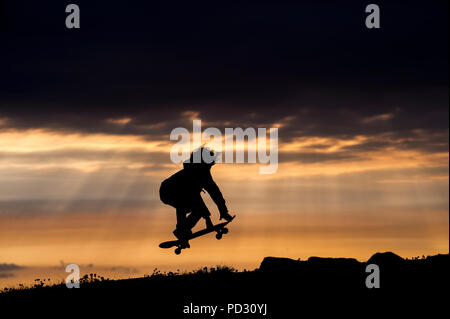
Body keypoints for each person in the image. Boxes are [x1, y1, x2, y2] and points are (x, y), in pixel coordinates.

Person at [159, 147, 234, 243]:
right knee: (184, 203)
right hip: (167, 191)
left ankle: (183, 229)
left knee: (196, 210)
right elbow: (194, 197)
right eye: (209, 165)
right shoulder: (191, 174)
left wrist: (223, 210)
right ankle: (181, 230)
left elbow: (215, 193)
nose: (210, 168)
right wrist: (207, 219)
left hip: (180, 193)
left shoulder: (205, 175)